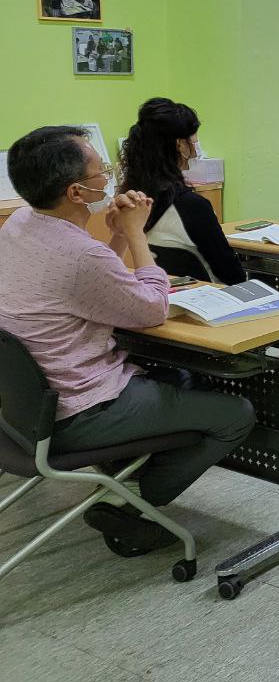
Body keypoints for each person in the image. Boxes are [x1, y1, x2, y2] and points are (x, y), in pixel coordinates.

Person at [0, 126, 255, 557]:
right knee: (236, 414)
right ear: (77, 192)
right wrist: (136, 235)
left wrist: (115, 232)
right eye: (102, 171)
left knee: (174, 379)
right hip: (79, 412)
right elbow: (151, 307)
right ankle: (127, 505)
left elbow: (92, 283)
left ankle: (124, 478)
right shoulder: (81, 255)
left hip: (20, 413)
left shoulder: (22, 223)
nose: (111, 178)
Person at [120, 97, 245, 285]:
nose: (196, 146)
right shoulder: (192, 205)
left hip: (168, 295)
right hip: (213, 300)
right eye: (193, 138)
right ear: (179, 144)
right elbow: (233, 275)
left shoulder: (133, 198)